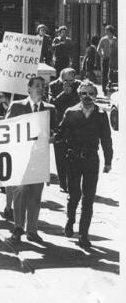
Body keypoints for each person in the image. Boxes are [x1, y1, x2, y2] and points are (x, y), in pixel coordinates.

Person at [55, 81, 112, 248]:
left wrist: (108, 160)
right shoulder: (71, 112)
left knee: (88, 198)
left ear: (95, 95)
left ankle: (83, 234)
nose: (87, 97)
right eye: (83, 94)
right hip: (73, 159)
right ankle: (70, 219)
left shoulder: (101, 115)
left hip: (91, 160)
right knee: (74, 195)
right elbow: (60, 134)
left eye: (91, 93)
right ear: (79, 95)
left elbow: (106, 139)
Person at [6, 77, 56, 243]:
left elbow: (55, 132)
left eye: (43, 86)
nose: (41, 89)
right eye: (37, 86)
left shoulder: (50, 109)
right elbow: (6, 129)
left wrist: (51, 137)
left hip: (39, 158)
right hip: (20, 157)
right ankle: (18, 227)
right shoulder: (17, 106)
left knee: (35, 195)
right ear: (28, 89)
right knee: (19, 191)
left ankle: (32, 230)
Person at [96, 25, 118, 95]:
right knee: (104, 74)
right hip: (106, 59)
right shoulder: (103, 39)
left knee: (112, 73)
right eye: (106, 31)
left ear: (111, 32)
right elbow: (98, 49)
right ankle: (104, 89)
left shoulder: (115, 39)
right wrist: (102, 55)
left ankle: (111, 88)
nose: (106, 32)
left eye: (107, 31)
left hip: (113, 59)